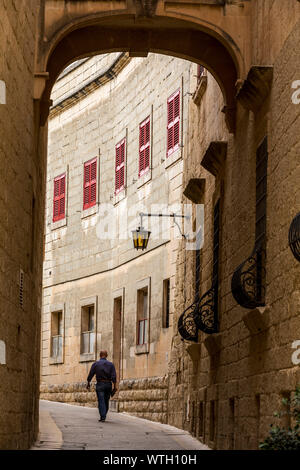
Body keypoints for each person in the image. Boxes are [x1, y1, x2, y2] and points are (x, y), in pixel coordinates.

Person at [86, 350, 117, 422]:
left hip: (100, 384)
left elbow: (91, 374)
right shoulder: (111, 364)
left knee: (101, 400)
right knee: (106, 400)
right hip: (108, 384)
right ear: (106, 355)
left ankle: (103, 416)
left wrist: (88, 383)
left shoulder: (96, 364)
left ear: (100, 355)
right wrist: (114, 386)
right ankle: (104, 414)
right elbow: (114, 376)